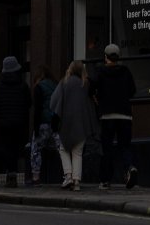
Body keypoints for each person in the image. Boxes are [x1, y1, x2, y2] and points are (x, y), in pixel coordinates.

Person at [51, 59, 98, 191]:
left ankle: (68, 176)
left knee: (63, 149)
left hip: (66, 123)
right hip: (82, 124)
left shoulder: (64, 82)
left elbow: (55, 102)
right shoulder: (85, 83)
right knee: (78, 152)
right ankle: (76, 181)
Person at [97, 44, 139, 191]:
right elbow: (132, 91)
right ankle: (129, 168)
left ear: (105, 57)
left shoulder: (101, 72)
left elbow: (96, 90)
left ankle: (105, 180)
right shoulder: (126, 71)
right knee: (125, 146)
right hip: (125, 115)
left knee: (107, 148)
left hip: (107, 115)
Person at [0, 55, 32, 186]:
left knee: (7, 148)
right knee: (17, 147)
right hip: (19, 122)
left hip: (4, 123)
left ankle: (10, 173)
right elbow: (29, 103)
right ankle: (21, 173)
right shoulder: (23, 85)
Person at [28, 66, 58, 185]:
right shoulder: (56, 85)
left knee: (36, 150)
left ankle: (36, 178)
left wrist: (35, 127)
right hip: (55, 123)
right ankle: (67, 175)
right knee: (59, 149)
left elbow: (38, 108)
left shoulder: (39, 88)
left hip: (43, 123)